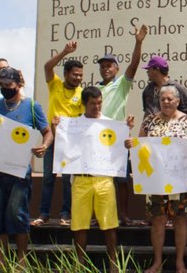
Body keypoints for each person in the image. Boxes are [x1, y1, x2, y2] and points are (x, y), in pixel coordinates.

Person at [125, 85, 187, 273]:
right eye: (163, 99)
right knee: (157, 220)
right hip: (156, 181)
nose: (166, 102)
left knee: (180, 219)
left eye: (170, 99)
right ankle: (157, 262)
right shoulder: (150, 121)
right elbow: (141, 147)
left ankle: (180, 263)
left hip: (180, 181)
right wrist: (131, 143)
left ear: (178, 101)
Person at [0, 67, 52, 267]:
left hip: (19, 172)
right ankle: (1, 259)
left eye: (8, 85)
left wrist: (43, 147)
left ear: (19, 85)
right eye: (1, 86)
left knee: (17, 213)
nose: (5, 89)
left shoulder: (31, 106)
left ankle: (22, 260)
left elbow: (48, 132)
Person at [71, 87, 133, 272]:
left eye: (99, 103)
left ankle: (113, 263)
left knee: (109, 224)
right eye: (92, 103)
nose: (97, 107)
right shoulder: (73, 124)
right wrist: (55, 127)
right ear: (84, 103)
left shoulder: (110, 124)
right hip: (81, 180)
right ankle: (79, 263)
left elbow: (117, 149)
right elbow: (64, 146)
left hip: (104, 179)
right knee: (80, 225)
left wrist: (126, 135)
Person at [96, 25, 147, 225]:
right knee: (98, 178)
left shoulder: (122, 85)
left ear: (116, 68)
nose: (105, 68)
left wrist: (138, 42)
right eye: (102, 66)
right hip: (98, 140)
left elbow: (134, 64)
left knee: (122, 179)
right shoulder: (94, 89)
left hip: (117, 139)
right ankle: (99, 215)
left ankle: (124, 215)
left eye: (109, 65)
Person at [36, 41, 85, 226]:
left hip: (70, 142)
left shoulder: (82, 93)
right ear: (65, 74)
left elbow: (82, 118)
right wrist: (65, 51)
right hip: (52, 140)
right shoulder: (55, 84)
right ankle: (44, 213)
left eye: (80, 75)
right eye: (75, 74)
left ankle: (66, 213)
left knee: (66, 179)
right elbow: (47, 66)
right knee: (48, 177)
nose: (78, 78)